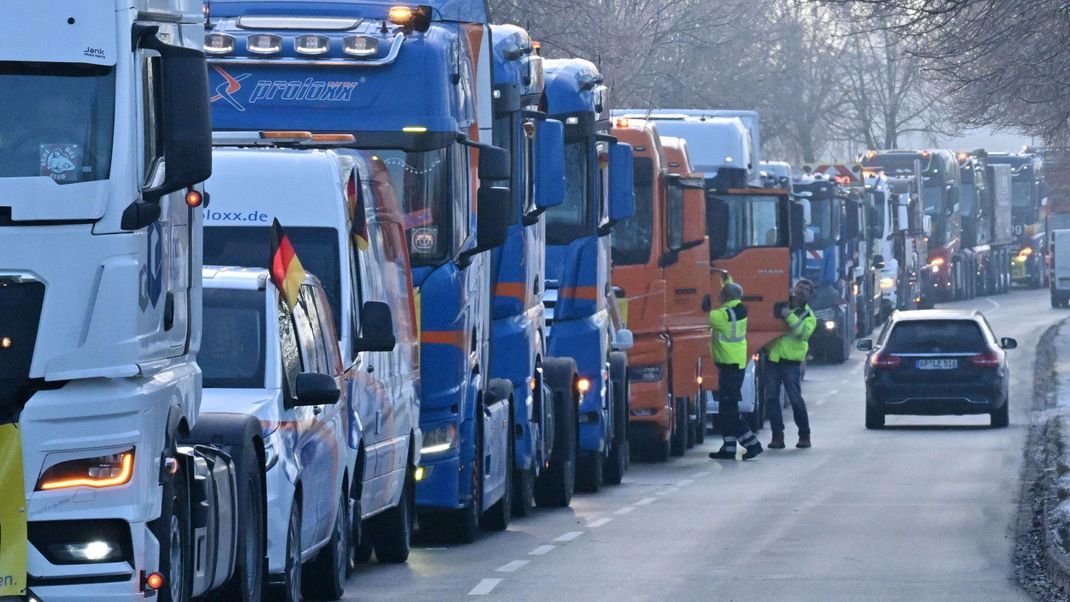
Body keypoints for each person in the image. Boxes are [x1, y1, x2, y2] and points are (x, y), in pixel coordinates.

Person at [703, 281, 762, 460]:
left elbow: (704, 317)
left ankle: (751, 443)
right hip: (735, 364)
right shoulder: (739, 310)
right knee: (726, 408)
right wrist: (725, 279)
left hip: (729, 366)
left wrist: (703, 305)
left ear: (724, 297)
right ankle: (728, 448)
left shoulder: (724, 315)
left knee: (728, 411)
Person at [766, 279, 817, 449]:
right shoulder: (780, 304)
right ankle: (777, 437)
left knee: (795, 399)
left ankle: (804, 434)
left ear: (809, 296)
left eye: (805, 290)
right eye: (799, 288)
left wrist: (789, 316)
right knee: (772, 399)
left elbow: (804, 333)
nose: (801, 292)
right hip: (773, 358)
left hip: (791, 362)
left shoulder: (808, 316)